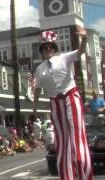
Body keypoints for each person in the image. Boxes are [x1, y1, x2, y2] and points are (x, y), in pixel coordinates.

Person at [33, 28, 93, 180]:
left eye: (50, 47)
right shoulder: (40, 69)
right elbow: (38, 89)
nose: (47, 49)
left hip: (70, 97)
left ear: (54, 48)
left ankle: (84, 173)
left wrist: (84, 39)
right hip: (55, 102)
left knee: (76, 134)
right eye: (44, 47)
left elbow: (80, 52)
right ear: (42, 50)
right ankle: (67, 176)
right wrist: (34, 107)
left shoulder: (64, 58)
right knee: (62, 139)